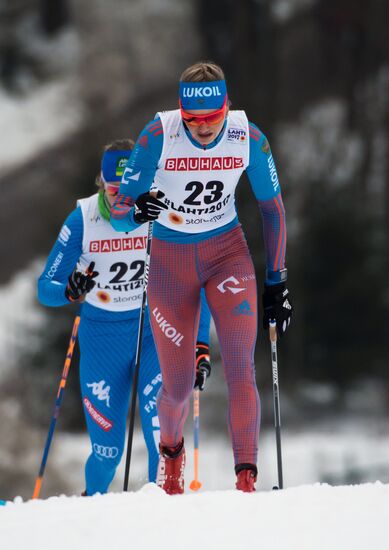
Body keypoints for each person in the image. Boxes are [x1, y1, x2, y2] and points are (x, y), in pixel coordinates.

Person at [111, 61, 293, 494]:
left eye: (213, 118)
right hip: (171, 263)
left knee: (240, 369)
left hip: (226, 254)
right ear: (181, 112)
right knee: (176, 388)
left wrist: (277, 281)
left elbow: (273, 210)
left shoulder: (249, 137)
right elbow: (120, 210)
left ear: (227, 107)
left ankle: (246, 478)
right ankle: (171, 461)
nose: (205, 128)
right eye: (194, 120)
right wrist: (136, 211)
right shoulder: (158, 134)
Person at [37, 139, 211, 495]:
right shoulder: (83, 219)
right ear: (101, 182)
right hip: (102, 339)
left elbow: (199, 283)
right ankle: (90, 511)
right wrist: (70, 289)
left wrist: (199, 343)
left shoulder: (163, 212)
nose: (122, 197)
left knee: (160, 433)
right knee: (108, 451)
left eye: (130, 188)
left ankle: (158, 514)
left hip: (153, 333)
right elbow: (45, 288)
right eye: (114, 189)